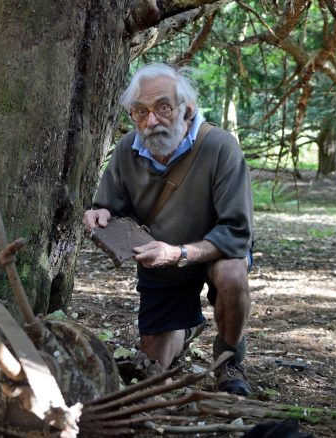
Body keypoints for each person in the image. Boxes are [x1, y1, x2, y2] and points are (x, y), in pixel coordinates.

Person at [82, 63, 254, 396]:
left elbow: (237, 232)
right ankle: (186, 328)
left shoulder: (220, 147)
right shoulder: (127, 150)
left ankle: (230, 357)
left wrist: (180, 253)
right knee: (152, 374)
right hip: (161, 262)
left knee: (232, 274)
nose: (151, 121)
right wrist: (100, 214)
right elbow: (111, 207)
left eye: (163, 108)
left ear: (187, 108)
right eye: (140, 111)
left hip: (213, 251)